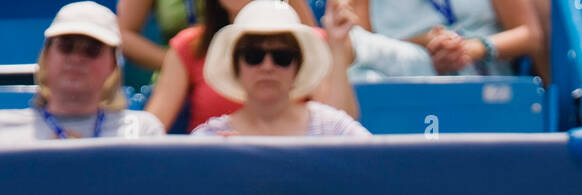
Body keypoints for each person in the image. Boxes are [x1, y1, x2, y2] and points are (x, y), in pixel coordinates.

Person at [147, 0, 360, 131]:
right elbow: (151, 128)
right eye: (252, 55)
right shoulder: (190, 46)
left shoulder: (310, 42)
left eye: (282, 56)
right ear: (233, 63)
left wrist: (337, 48)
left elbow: (339, 133)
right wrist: (218, 153)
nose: (267, 66)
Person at [0, 2, 165, 145]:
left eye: (92, 50)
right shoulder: (3, 131)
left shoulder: (143, 132)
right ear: (46, 56)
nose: (77, 58)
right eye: (66, 46)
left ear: (113, 65)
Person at [346, 0, 542, 80]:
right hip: (399, 83)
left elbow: (529, 35)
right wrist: (424, 44)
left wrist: (472, 49)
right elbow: (356, 48)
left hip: (485, 83)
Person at [116, 0, 317, 75]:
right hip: (185, 69)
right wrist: (185, 64)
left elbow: (313, 40)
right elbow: (121, 33)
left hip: (266, 71)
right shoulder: (188, 44)